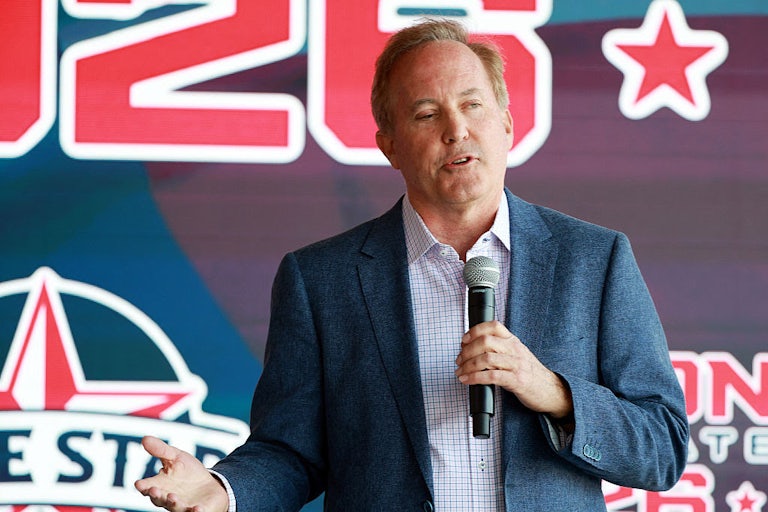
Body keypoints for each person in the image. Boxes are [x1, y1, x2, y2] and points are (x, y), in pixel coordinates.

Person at [135, 18, 689, 511]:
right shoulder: (320, 280)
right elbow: (289, 453)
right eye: (427, 114)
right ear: (389, 145)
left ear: (506, 125)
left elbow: (661, 448)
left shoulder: (593, 259)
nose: (456, 129)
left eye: (472, 105)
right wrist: (224, 491)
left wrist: (552, 391)